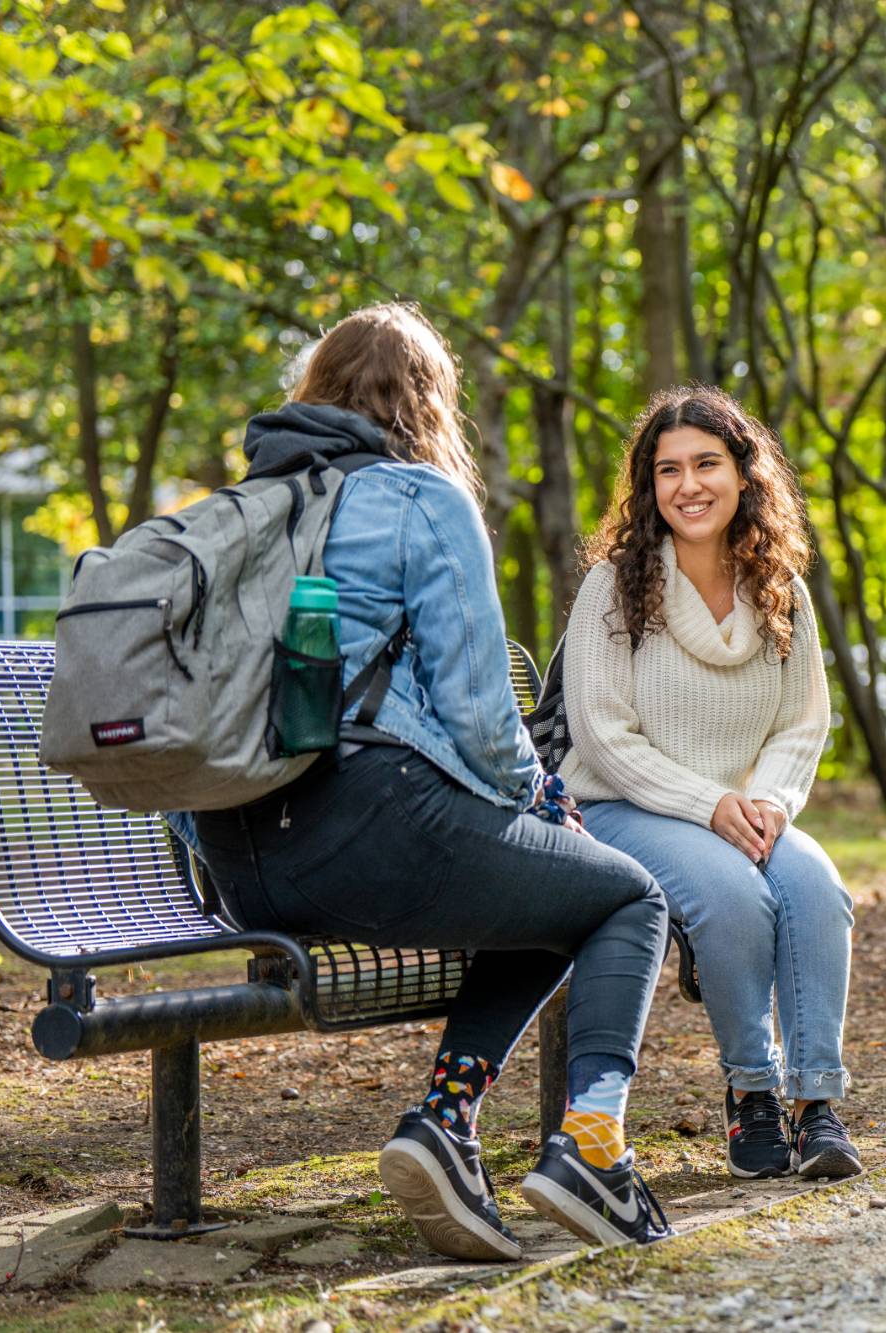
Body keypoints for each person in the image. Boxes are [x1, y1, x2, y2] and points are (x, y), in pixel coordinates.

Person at [181, 304, 676, 1258]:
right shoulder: (421, 500)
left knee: (549, 892)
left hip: (241, 867)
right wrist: (548, 801)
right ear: (427, 402)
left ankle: (447, 1126)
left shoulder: (240, 510)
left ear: (312, 391)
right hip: (372, 836)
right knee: (628, 896)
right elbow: (485, 720)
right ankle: (592, 1151)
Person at [559, 385, 861, 1181]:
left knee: (817, 888)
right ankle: (752, 1088)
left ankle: (817, 1104)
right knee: (733, 896)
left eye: (706, 464)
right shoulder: (614, 587)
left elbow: (803, 723)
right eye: (667, 470)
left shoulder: (780, 591)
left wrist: (765, 801)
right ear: (649, 486)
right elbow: (601, 734)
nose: (687, 485)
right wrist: (710, 804)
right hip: (619, 807)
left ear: (743, 474)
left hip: (742, 810)